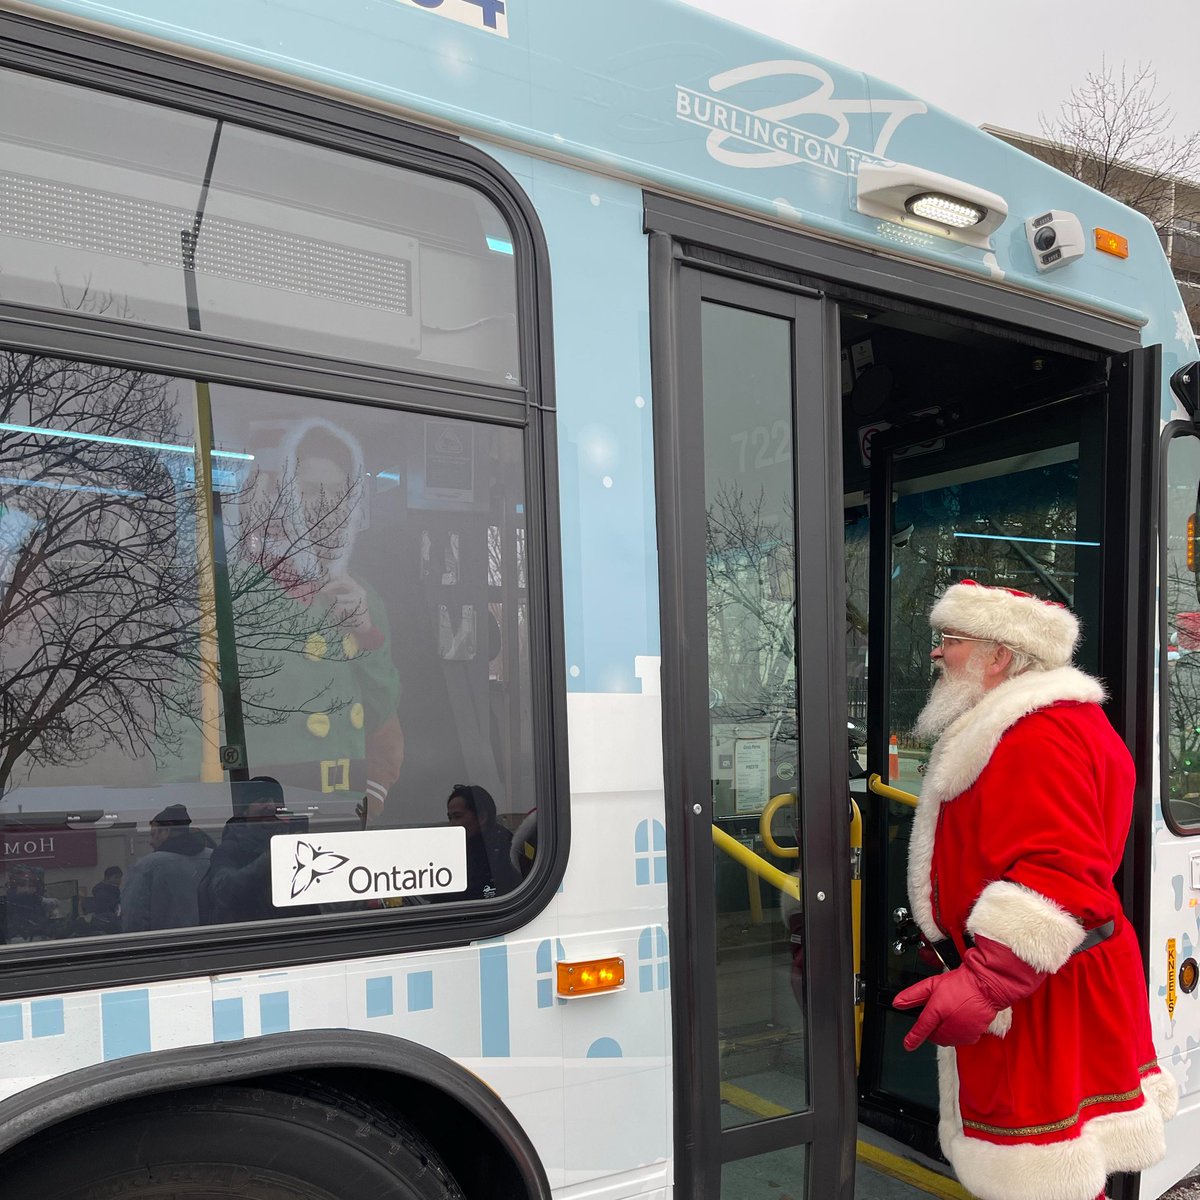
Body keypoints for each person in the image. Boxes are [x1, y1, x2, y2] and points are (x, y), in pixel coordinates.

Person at [894, 580, 1176, 1200]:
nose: (937, 653)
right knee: (1062, 1168)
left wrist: (986, 979)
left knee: (1047, 1172)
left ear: (999, 655)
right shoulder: (1047, 723)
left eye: (951, 639)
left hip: (1041, 989)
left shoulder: (1036, 734)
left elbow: (1060, 872)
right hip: (1052, 977)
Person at [199, 777, 317, 924]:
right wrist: (270, 858)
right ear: (245, 810)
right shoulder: (228, 850)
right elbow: (224, 892)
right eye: (262, 800)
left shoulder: (296, 844)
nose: (271, 806)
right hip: (251, 934)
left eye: (276, 801)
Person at [121, 804, 212, 932]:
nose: (150, 841)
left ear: (166, 831)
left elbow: (133, 918)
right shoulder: (213, 858)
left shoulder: (148, 866)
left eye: (153, 834)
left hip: (166, 942)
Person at [445, 784, 520, 901]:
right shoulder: (455, 849)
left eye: (458, 816)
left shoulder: (506, 852)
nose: (452, 824)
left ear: (482, 817)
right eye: (450, 818)